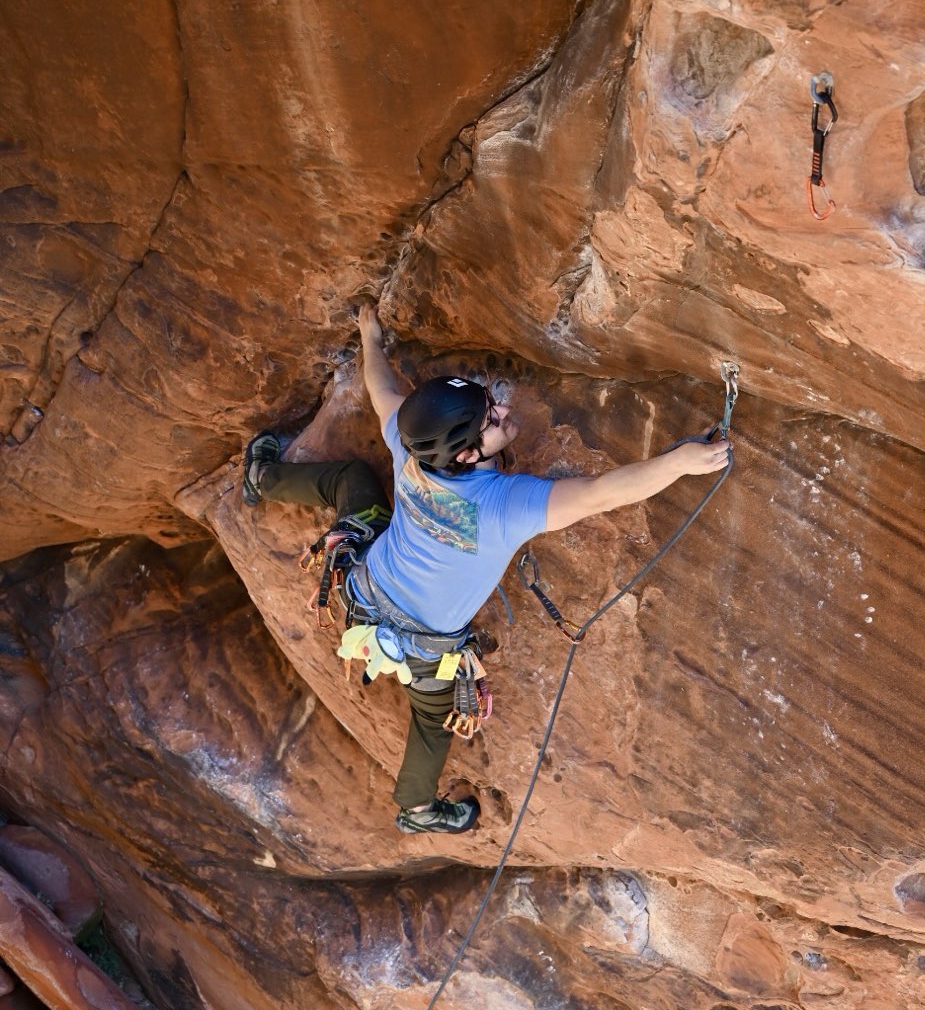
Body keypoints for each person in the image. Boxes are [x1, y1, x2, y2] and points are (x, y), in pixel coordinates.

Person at [242, 303, 733, 835]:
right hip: (418, 643)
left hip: (364, 587)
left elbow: (381, 387)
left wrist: (370, 338)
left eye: (489, 406)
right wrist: (681, 463)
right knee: (433, 722)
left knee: (352, 482)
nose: (501, 412)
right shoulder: (504, 506)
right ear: (466, 457)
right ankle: (417, 809)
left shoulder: (409, 448)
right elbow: (600, 493)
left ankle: (262, 480)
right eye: (491, 421)